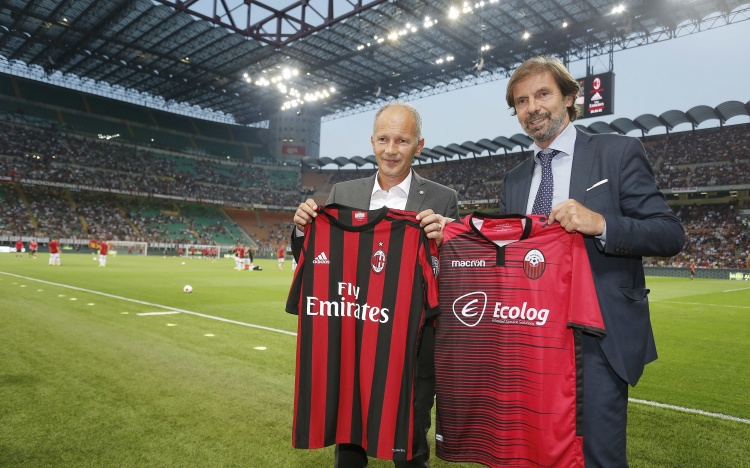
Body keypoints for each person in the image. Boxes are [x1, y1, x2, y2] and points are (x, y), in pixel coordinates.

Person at [497, 55, 684, 467]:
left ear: (569, 97)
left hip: (595, 337)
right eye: (522, 101)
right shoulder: (514, 181)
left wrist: (600, 223)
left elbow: (670, 233)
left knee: (600, 457)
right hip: (531, 336)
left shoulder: (617, 152)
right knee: (534, 454)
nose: (532, 108)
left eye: (542, 94)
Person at [292, 101, 458, 468]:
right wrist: (303, 229)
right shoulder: (342, 194)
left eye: (402, 140)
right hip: (351, 343)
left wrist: (447, 241)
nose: (391, 149)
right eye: (384, 139)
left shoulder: (442, 199)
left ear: (419, 145)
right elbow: (320, 261)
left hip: (412, 351)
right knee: (349, 447)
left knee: (411, 449)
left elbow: (451, 280)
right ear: (372, 142)